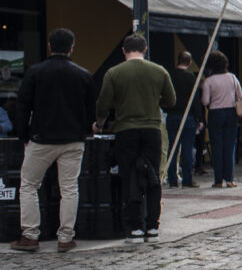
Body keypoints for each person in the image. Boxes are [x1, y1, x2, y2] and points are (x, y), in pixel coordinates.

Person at [10, 28, 95, 253]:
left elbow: (22, 105)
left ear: (49, 46)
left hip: (41, 138)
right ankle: (65, 237)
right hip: (73, 140)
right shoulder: (84, 74)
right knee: (69, 188)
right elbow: (90, 111)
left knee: (28, 185)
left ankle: (30, 235)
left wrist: (24, 135)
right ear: (71, 47)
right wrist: (85, 131)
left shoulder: (36, 72)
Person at [95, 34, 175, 245]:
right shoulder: (159, 71)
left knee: (129, 176)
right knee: (152, 176)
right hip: (152, 129)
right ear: (145, 49)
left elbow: (102, 103)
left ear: (123, 50)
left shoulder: (114, 73)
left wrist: (100, 123)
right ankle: (153, 226)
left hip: (126, 130)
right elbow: (171, 100)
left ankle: (135, 228)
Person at [199, 51, 242, 189]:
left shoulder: (209, 81)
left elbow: (205, 100)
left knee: (216, 146)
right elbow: (240, 95)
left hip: (215, 114)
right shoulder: (232, 77)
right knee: (230, 146)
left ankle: (218, 180)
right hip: (231, 113)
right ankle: (229, 179)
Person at [166, 51, 204, 189]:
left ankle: (172, 179)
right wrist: (199, 118)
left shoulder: (170, 75)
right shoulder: (191, 77)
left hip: (172, 115)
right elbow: (195, 100)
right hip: (188, 117)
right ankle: (187, 179)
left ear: (178, 60)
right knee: (187, 148)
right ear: (189, 62)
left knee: (172, 148)